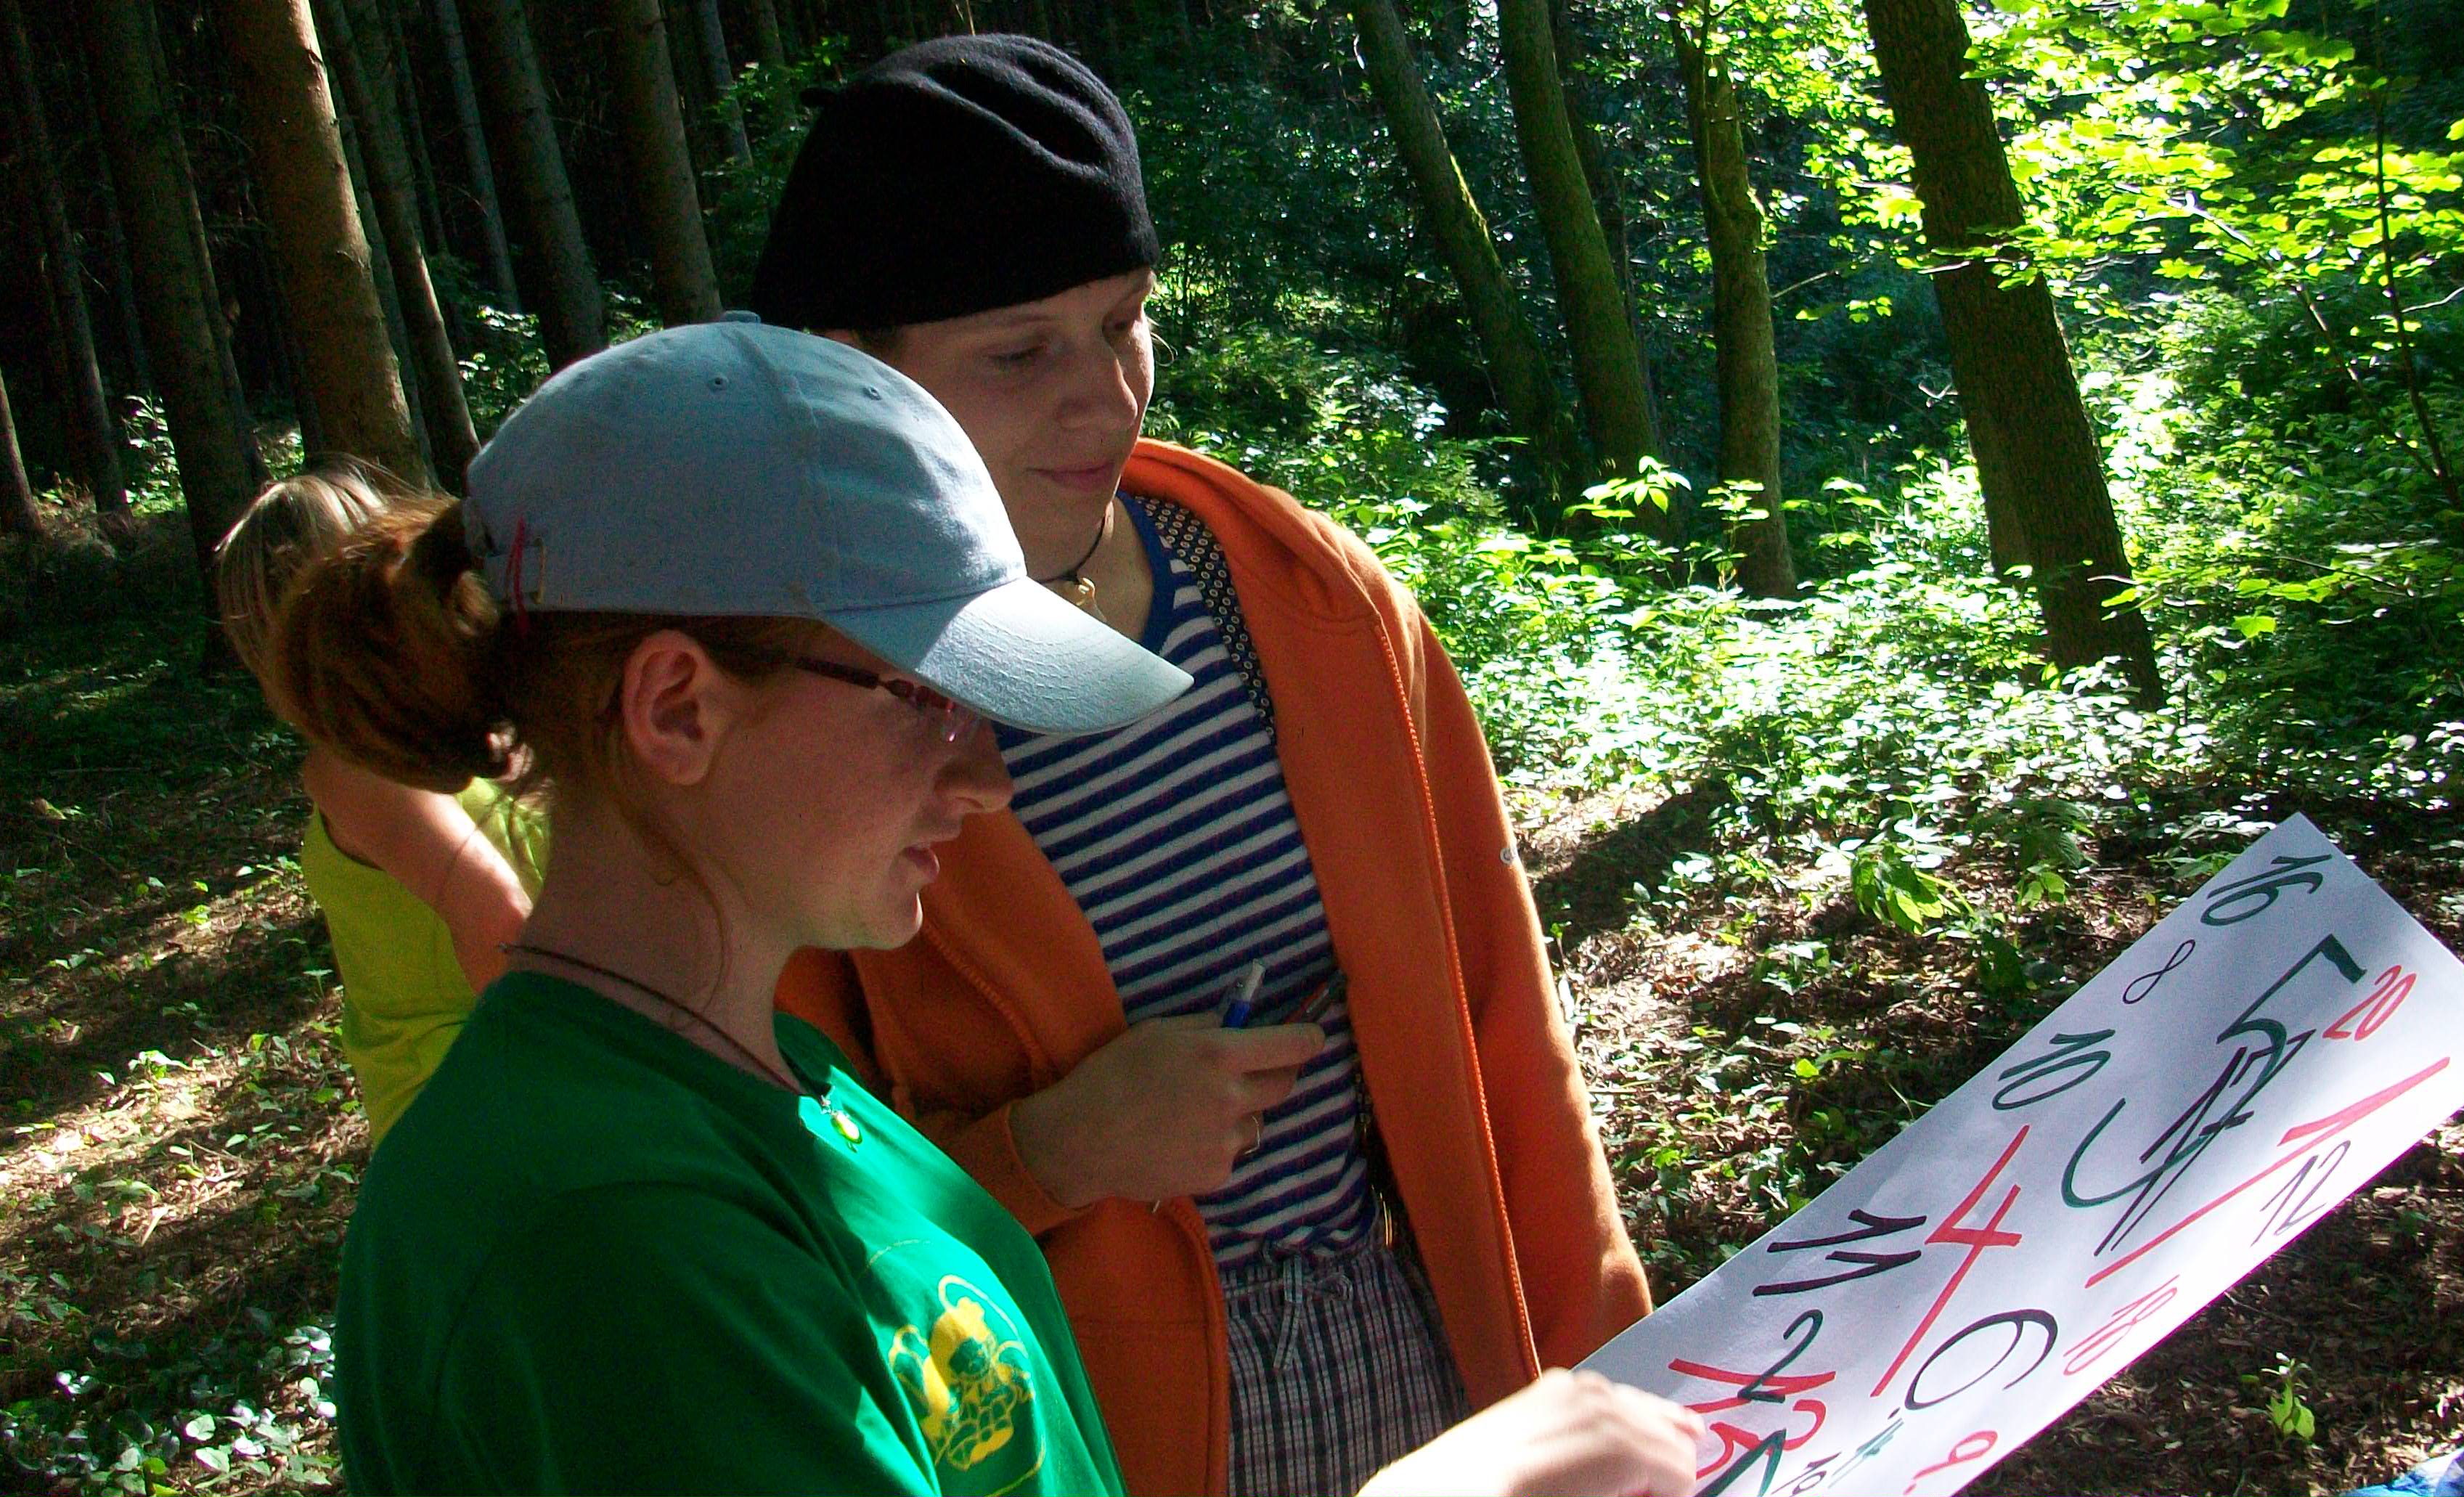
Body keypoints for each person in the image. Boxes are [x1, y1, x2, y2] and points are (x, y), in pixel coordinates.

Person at [275, 317, 1698, 1496]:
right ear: (676, 707)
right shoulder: (603, 1237)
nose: (986, 777)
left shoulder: (779, 1085)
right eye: (924, 697)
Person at [754, 35, 1653, 1497]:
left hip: (1422, 1361)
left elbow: (1501, 1026)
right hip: (1071, 1428)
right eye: (1019, 352)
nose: (1103, 397)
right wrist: (1051, 1150)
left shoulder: (1301, 602)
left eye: (1122, 323)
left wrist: (1604, 1358)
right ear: (856, 370)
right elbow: (771, 1211)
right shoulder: (801, 709)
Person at [214, 466, 544, 1145]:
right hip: (491, 1110)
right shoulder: (402, 751)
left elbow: (505, 921)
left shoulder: (383, 754)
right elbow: (506, 920)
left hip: (491, 1108)